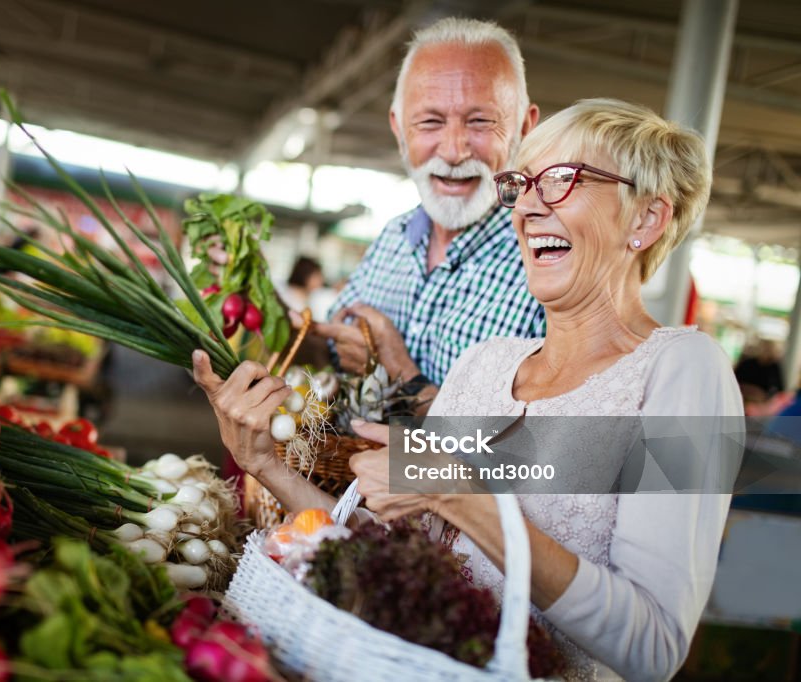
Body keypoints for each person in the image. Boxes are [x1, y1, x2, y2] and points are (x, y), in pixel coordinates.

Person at [193, 98, 743, 680]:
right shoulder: (483, 365)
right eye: (521, 184)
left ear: (647, 219)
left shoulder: (684, 370)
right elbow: (392, 559)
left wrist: (462, 496)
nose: (528, 205)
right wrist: (266, 466)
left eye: (560, 181)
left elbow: (654, 648)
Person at [206, 18, 545, 401]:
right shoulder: (393, 238)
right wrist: (263, 298)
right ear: (399, 128)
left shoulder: (548, 262)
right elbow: (330, 356)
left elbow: (539, 452)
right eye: (430, 122)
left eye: (480, 121)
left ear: (525, 127)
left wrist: (400, 372)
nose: (453, 151)